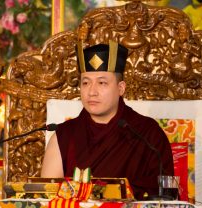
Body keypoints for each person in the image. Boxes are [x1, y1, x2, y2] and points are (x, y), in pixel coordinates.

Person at [41, 40, 174, 200]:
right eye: (85, 83)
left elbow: (165, 199)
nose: (92, 92)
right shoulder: (63, 136)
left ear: (121, 88)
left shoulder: (148, 134)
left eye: (102, 83)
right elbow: (47, 200)